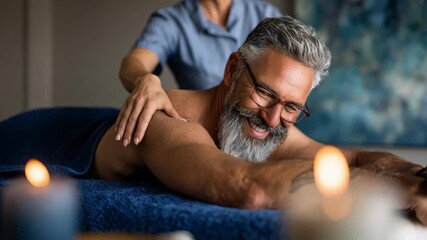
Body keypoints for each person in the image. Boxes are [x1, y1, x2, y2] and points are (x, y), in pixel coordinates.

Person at [1, 16, 426, 225]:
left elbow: (347, 158)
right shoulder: (166, 118)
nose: (274, 117)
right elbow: (245, 188)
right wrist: (399, 190)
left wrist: (416, 175)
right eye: (265, 92)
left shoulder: (272, 118)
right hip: (36, 137)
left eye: (292, 106)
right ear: (231, 70)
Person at [117, 0, 282, 147]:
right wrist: (145, 80)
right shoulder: (172, 21)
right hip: (205, 140)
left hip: (263, 130)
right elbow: (133, 63)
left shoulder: (266, 15)